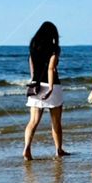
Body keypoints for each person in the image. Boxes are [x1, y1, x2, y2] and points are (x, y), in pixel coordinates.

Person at [24, 21, 69, 160]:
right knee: (56, 122)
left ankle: (27, 148)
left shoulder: (33, 45)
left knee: (33, 121)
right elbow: (51, 68)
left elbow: (31, 64)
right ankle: (58, 150)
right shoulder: (55, 48)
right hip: (52, 86)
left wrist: (34, 80)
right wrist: (49, 88)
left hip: (36, 84)